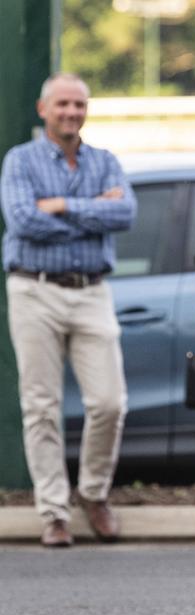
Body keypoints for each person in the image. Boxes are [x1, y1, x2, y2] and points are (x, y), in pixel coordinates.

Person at [1, 72, 137, 548]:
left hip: (92, 291)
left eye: (79, 105)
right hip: (34, 289)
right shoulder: (20, 160)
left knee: (109, 403)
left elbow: (126, 214)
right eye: (62, 104)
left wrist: (59, 205)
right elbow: (22, 220)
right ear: (44, 109)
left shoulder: (105, 160)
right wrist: (90, 210)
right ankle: (54, 512)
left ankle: (93, 493)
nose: (71, 113)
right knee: (41, 406)